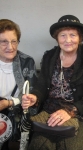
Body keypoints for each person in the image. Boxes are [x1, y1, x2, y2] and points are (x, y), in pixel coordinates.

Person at [21, 14, 83, 150]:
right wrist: (34, 97)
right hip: (48, 113)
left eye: (73, 35)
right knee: (39, 146)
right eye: (63, 35)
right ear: (57, 38)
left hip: (76, 115)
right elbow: (41, 86)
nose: (68, 40)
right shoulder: (49, 56)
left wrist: (70, 110)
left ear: (80, 38)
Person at [0, 19, 38, 150]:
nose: (10, 47)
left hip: (16, 112)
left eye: (14, 41)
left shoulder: (26, 61)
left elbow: (31, 94)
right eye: (4, 42)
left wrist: (9, 103)